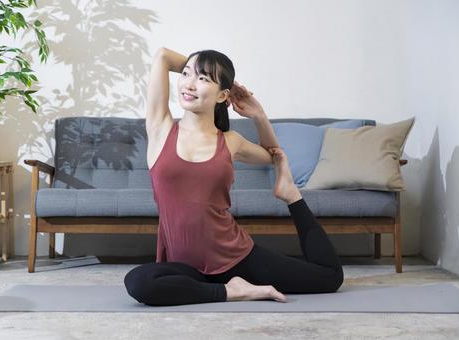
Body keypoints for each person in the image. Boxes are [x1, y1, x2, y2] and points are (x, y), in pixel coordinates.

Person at [124, 47, 344, 306]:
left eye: (203, 79)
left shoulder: (230, 142)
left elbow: (273, 155)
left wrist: (258, 115)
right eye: (186, 74)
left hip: (237, 257)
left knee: (329, 277)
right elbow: (162, 55)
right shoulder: (160, 128)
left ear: (222, 96)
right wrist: (207, 69)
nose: (190, 84)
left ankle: (291, 195)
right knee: (138, 282)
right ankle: (235, 291)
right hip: (185, 267)